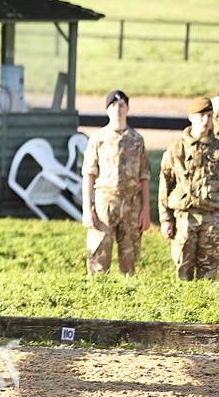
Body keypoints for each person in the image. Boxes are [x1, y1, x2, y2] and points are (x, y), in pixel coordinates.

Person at [81, 90, 150, 275]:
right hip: (105, 203)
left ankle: (127, 292)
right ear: (107, 110)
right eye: (112, 106)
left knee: (129, 261)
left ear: (127, 108)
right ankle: (98, 291)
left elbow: (144, 176)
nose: (117, 110)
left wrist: (145, 210)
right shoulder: (98, 139)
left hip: (131, 204)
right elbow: (88, 174)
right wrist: (87, 209)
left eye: (121, 106)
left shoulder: (137, 140)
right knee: (98, 257)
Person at [159, 97, 219, 280]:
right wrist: (165, 219)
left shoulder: (217, 149)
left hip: (212, 220)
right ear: (191, 117)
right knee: (182, 273)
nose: (206, 120)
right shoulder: (177, 149)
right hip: (184, 218)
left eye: (209, 115)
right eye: (201, 116)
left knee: (209, 277)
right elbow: (165, 184)